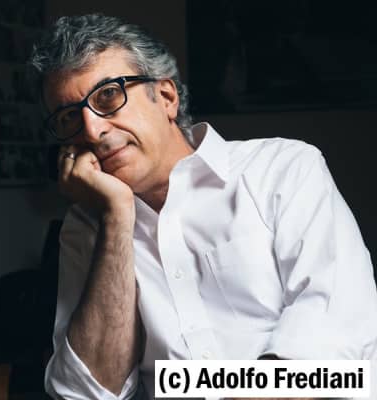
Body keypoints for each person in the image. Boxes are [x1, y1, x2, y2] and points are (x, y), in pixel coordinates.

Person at [29, 14, 377, 400]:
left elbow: (334, 344)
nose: (93, 131)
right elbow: (85, 392)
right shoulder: (88, 223)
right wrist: (117, 216)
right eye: (69, 117)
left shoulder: (283, 169)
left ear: (166, 97)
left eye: (108, 96)